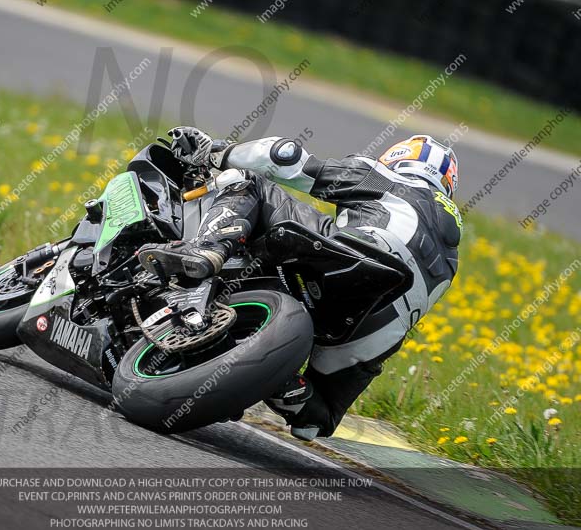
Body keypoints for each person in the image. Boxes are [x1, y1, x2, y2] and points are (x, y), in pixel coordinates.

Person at [138, 126, 462, 441]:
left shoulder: (390, 179)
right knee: (316, 420)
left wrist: (215, 151)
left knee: (247, 181)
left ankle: (206, 251)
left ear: (399, 159)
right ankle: (284, 386)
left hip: (353, 258)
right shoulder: (452, 258)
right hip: (372, 327)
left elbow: (286, 158)